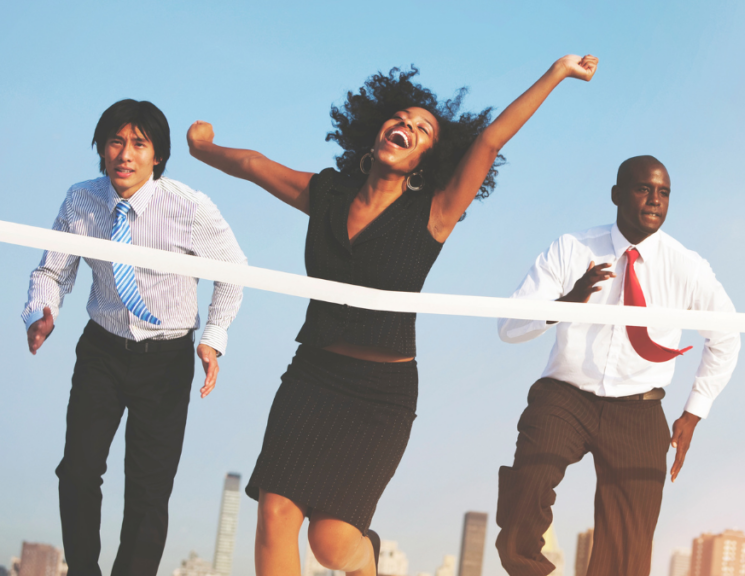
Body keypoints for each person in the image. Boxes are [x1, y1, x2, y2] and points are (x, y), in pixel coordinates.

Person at [186, 54, 599, 576]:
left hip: (380, 395)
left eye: (422, 129)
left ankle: (368, 558)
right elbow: (253, 166)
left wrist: (558, 73)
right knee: (274, 513)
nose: (406, 126)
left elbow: (490, 142)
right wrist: (202, 148)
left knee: (332, 545)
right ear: (376, 129)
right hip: (312, 376)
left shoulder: (435, 212)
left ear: (429, 157)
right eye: (400, 119)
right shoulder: (327, 194)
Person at [22, 99, 247, 576]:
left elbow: (233, 269)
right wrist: (42, 311)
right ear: (102, 150)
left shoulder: (189, 207)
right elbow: (52, 270)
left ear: (157, 156)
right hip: (102, 348)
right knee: (78, 471)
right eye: (115, 142)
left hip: (165, 360)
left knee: (149, 490)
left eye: (138, 144)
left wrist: (213, 335)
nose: (125, 154)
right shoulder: (81, 201)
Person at [495, 155, 741, 576]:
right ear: (616, 195)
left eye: (663, 193)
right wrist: (564, 305)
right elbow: (509, 327)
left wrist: (694, 411)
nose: (654, 200)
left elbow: (727, 336)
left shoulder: (688, 266)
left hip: (640, 408)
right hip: (565, 398)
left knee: (628, 553)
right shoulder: (572, 248)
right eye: (643, 189)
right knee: (525, 494)